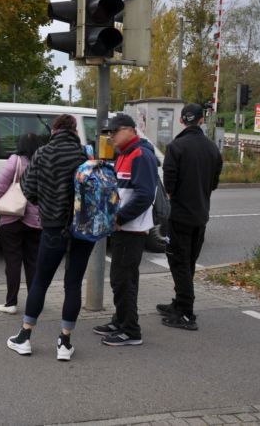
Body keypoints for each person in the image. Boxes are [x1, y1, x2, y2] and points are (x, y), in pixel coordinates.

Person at [6, 115, 94, 362]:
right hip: (83, 228)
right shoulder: (85, 154)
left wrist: (45, 205)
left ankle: (24, 337)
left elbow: (28, 188)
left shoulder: (43, 153)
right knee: (73, 283)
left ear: (54, 130)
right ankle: (65, 343)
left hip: (53, 228)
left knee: (41, 282)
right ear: (75, 130)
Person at [157, 103, 223, 330]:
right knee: (189, 262)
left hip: (180, 215)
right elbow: (214, 183)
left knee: (178, 262)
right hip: (201, 214)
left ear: (182, 121)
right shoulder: (213, 149)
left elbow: (169, 185)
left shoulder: (176, 147)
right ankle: (180, 302)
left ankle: (186, 312)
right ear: (202, 120)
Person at [94, 113, 158, 346]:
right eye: (109, 133)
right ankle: (120, 320)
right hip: (123, 227)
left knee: (123, 280)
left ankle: (131, 330)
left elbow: (144, 195)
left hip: (132, 229)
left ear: (131, 130)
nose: (111, 136)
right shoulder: (124, 154)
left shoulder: (141, 155)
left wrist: (119, 217)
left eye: (115, 131)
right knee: (123, 278)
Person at [0, 133, 42, 315]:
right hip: (35, 220)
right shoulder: (43, 161)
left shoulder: (15, 161)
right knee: (33, 262)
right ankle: (34, 302)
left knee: (13, 261)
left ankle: (11, 303)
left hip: (11, 218)